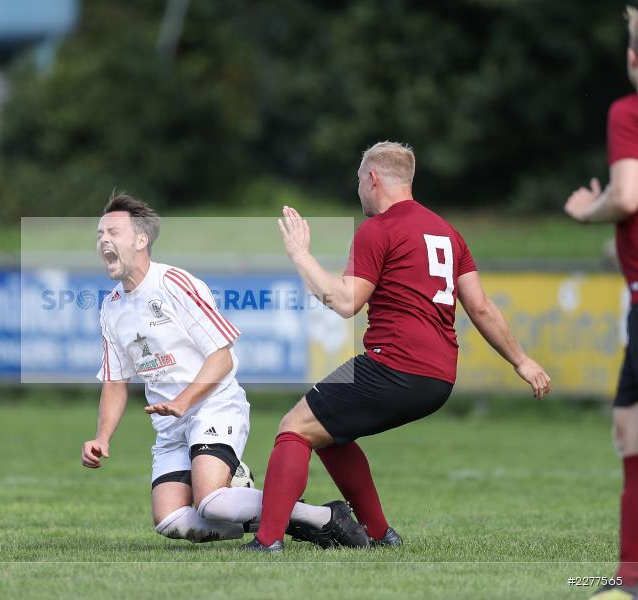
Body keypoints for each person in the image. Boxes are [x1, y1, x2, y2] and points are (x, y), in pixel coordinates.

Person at [243, 141, 551, 553]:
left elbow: (345, 301)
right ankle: (378, 533)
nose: (358, 190)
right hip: (439, 379)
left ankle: (267, 542)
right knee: (331, 434)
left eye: (358, 181)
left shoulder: (379, 229)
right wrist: (522, 360)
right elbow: (480, 306)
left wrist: (300, 255)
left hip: (395, 367)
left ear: (372, 178)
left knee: (294, 429)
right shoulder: (447, 232)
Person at [82, 193, 366, 547]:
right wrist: (102, 438)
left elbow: (223, 357)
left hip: (213, 406)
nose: (103, 241)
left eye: (113, 232)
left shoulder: (173, 284)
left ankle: (325, 516)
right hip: (171, 424)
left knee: (211, 501)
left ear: (141, 240)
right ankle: (300, 517)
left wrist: (185, 400)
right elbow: (115, 383)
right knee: (171, 521)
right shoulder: (111, 309)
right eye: (99, 234)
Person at [563, 8, 638, 598]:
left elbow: (628, 196)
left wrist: (589, 209)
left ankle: (630, 579)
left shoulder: (627, 112)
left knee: (629, 428)